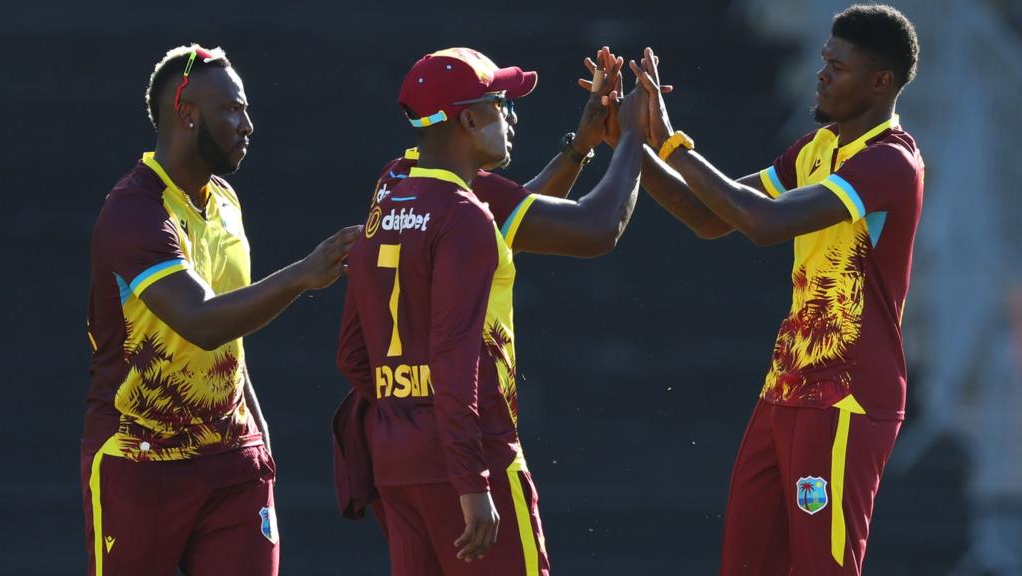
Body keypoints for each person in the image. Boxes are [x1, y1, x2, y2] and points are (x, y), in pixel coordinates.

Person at [626, 5, 923, 574]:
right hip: (784, 389)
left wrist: (674, 142)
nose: (822, 74)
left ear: (880, 82)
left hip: (847, 399)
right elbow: (711, 216)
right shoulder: (815, 149)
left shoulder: (891, 162)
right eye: (823, 61)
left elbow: (762, 223)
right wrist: (636, 145)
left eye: (838, 66)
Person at [335, 47, 648, 575]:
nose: (511, 116)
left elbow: (352, 354)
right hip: (470, 451)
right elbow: (598, 228)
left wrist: (579, 150)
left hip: (396, 456)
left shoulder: (394, 186)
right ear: (470, 118)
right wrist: (637, 135)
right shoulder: (464, 214)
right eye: (501, 103)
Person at [84, 44, 359, 575]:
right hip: (141, 458)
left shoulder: (227, 202)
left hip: (233, 461)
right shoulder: (134, 211)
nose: (248, 124)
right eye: (232, 109)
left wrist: (259, 438)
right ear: (186, 114)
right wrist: (305, 273)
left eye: (246, 108)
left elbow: (229, 340)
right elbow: (202, 321)